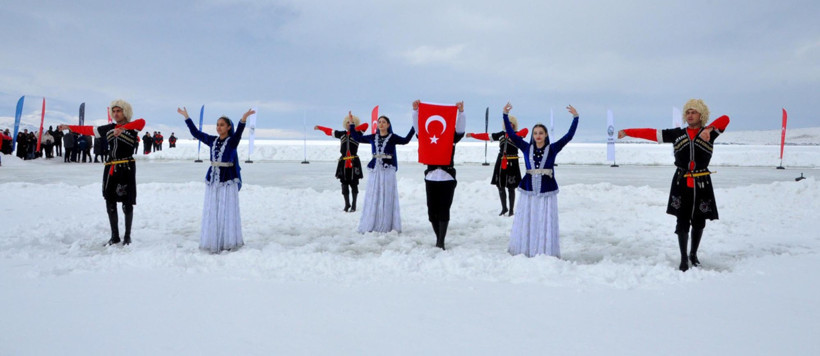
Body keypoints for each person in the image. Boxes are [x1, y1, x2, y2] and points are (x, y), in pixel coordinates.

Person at [618, 99, 730, 271]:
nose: (689, 115)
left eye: (693, 112)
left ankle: (694, 254)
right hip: (682, 181)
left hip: (702, 182)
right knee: (682, 220)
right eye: (687, 112)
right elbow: (651, 133)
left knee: (699, 221)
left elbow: (726, 119)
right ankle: (684, 258)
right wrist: (627, 132)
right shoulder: (676, 133)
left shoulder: (711, 133)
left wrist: (708, 129)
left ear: (702, 115)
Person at [59, 99, 145, 246]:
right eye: (114, 111)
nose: (116, 113)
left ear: (125, 112)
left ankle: (127, 236)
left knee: (127, 203)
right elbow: (89, 130)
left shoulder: (133, 128)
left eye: (119, 111)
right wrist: (69, 127)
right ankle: (115, 236)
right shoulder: (109, 128)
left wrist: (123, 129)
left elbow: (141, 122)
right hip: (111, 167)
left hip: (126, 167)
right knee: (110, 201)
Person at [503, 102, 579, 258]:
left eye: (541, 133)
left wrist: (575, 118)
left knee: (544, 219)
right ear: (533, 136)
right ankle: (526, 248)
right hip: (529, 189)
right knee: (529, 218)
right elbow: (511, 134)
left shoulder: (552, 148)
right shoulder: (525, 147)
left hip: (546, 189)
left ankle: (544, 250)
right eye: (535, 133)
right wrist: (505, 115)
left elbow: (568, 136)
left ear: (545, 135)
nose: (538, 135)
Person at [178, 106, 254, 253]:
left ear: (228, 127)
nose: (218, 127)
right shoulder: (212, 140)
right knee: (213, 208)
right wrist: (187, 117)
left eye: (222, 125)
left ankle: (228, 240)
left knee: (226, 209)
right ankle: (213, 238)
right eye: (217, 125)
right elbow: (196, 133)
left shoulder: (232, 141)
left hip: (227, 179)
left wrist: (243, 119)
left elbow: (239, 132)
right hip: (213, 178)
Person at [411, 100, 466, 250]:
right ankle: (438, 236)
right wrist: (416, 111)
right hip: (431, 178)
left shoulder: (452, 136)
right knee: (431, 211)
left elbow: (460, 130)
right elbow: (418, 128)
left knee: (444, 209)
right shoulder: (427, 136)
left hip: (447, 177)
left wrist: (461, 112)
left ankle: (441, 241)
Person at [350, 113, 415, 234]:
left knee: (386, 195)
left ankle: (386, 223)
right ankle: (373, 222)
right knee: (374, 194)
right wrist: (352, 125)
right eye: (379, 122)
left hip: (387, 170)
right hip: (376, 170)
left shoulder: (393, 137)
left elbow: (405, 140)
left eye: (384, 122)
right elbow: (357, 138)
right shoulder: (372, 137)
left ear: (388, 125)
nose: (381, 124)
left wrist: (414, 127)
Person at [467, 117, 529, 216]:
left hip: (512, 161)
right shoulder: (501, 134)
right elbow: (486, 136)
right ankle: (504, 208)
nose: (510, 124)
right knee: (500, 185)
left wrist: (513, 135)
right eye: (508, 123)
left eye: (511, 123)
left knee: (511, 187)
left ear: (514, 124)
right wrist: (473, 135)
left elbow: (526, 130)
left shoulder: (517, 134)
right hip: (501, 161)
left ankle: (511, 210)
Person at [314, 112, 369, 212]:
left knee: (353, 184)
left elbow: (366, 125)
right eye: (347, 122)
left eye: (351, 122)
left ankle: (354, 205)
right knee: (344, 184)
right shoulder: (342, 134)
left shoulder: (358, 134)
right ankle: (347, 204)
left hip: (353, 161)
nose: (349, 123)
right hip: (343, 162)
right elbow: (330, 131)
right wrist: (320, 128)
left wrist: (353, 126)